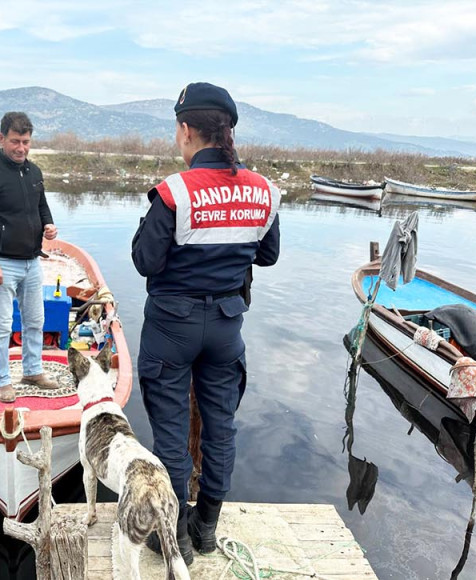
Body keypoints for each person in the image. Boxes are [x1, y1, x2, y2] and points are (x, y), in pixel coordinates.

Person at [132, 82, 281, 562]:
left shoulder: (174, 191)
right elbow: (269, 254)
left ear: (185, 130)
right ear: (228, 132)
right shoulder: (264, 191)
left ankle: (173, 534)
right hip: (225, 327)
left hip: (172, 328)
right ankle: (208, 526)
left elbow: (145, 260)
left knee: (172, 436)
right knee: (221, 429)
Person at [0, 112, 61, 403]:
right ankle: (2, 380)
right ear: (1, 138)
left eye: (26, 142)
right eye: (15, 142)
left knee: (35, 321)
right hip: (2, 263)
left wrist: (49, 223)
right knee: (2, 326)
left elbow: (40, 204)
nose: (21, 148)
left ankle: (33, 370)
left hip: (32, 261)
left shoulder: (33, 172)